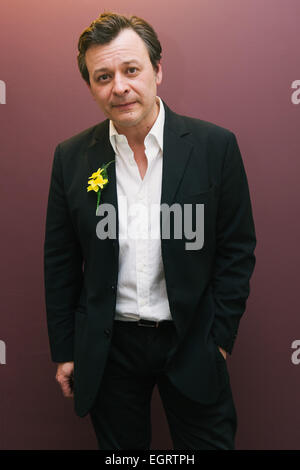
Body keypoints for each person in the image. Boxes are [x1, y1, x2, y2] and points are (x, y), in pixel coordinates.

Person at [44, 12, 256, 450]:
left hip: (192, 340)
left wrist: (218, 340)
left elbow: (237, 249)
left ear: (157, 71)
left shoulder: (215, 147)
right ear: (90, 86)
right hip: (110, 348)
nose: (118, 86)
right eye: (103, 76)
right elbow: (60, 261)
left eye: (131, 70)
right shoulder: (72, 158)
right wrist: (66, 348)